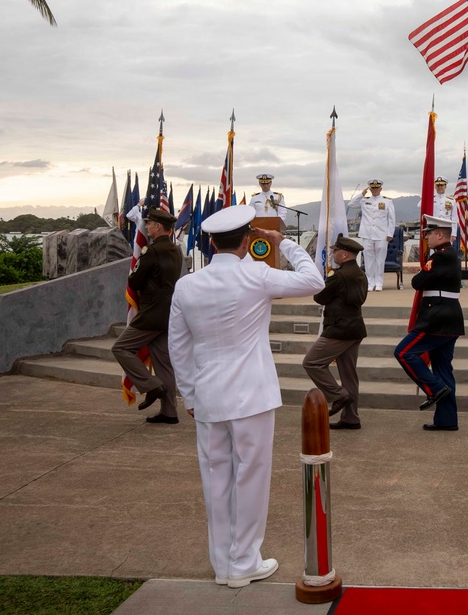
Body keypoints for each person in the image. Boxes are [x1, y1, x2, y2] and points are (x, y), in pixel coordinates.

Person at [167, 204, 325, 588]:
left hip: (207, 396)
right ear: (246, 241)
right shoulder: (256, 275)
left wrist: (188, 394)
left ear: (210, 241)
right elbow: (314, 281)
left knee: (215, 479)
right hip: (252, 395)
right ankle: (244, 562)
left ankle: (223, 564)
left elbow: (178, 345)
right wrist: (283, 242)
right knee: (250, 478)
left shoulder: (187, 285)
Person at [111, 207, 182, 424]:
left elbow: (134, 281)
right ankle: (169, 412)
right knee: (163, 364)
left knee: (120, 348)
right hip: (168, 312)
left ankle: (151, 385)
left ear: (158, 227)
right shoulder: (176, 251)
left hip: (151, 313)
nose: (147, 226)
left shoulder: (151, 252)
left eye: (150, 224)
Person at [393, 215, 464, 431]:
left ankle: (433, 389)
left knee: (404, 352)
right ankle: (447, 420)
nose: (426, 238)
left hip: (437, 318)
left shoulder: (441, 257)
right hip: (448, 318)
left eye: (429, 234)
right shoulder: (448, 255)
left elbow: (417, 282)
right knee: (443, 370)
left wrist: (423, 271)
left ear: (440, 234)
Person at [302, 235, 368, 431]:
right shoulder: (361, 274)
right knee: (349, 376)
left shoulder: (338, 276)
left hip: (339, 329)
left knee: (311, 362)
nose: (333, 253)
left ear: (344, 254)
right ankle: (351, 418)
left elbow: (320, 297)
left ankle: (338, 395)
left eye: (335, 251)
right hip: (355, 327)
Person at [348, 178, 397, 291]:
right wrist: (361, 194)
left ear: (381, 188)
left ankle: (379, 283)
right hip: (367, 234)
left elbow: (391, 219)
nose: (375, 190)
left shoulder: (387, 202)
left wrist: (390, 233)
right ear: (370, 189)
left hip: (382, 234)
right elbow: (351, 204)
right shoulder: (364, 200)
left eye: (377, 188)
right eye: (372, 188)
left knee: (380, 260)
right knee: (369, 260)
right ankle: (370, 283)